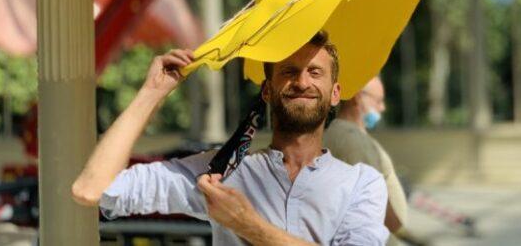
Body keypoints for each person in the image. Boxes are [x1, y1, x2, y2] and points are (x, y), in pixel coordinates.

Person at [71, 31, 389, 245]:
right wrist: (151, 94)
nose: (302, 81)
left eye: (315, 72)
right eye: (289, 72)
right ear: (267, 90)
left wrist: (246, 224)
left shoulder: (363, 183)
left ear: (335, 94)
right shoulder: (219, 174)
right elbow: (91, 189)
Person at [324, 77, 418, 245]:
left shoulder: (352, 135)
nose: (382, 108)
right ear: (357, 96)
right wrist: (406, 235)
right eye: (378, 101)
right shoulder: (350, 140)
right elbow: (371, 198)